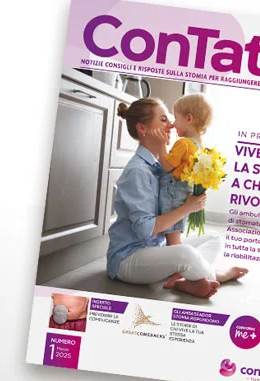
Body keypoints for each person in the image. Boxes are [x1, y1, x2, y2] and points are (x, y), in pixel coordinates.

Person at [106, 98, 247, 299]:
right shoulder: (138, 171)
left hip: (156, 247)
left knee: (214, 238)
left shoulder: (158, 166)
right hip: (129, 258)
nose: (171, 125)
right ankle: (216, 275)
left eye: (171, 119)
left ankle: (188, 278)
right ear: (142, 128)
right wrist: (186, 208)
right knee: (185, 254)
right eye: (163, 120)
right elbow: (145, 230)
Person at [158, 93, 212, 245]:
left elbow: (166, 165)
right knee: (175, 236)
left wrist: (161, 145)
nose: (173, 124)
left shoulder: (184, 143)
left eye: (175, 117)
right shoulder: (200, 146)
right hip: (184, 194)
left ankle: (177, 268)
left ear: (189, 119)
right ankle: (178, 264)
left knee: (173, 240)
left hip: (173, 195)